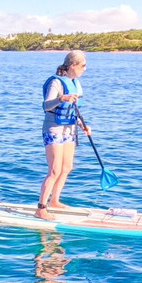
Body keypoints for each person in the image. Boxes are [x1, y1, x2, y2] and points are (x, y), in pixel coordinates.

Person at [37, 50, 91, 219]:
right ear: (73, 65)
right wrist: (62, 98)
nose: (85, 69)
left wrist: (82, 125)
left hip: (69, 129)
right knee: (54, 170)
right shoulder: (56, 82)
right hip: (53, 128)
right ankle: (41, 209)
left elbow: (74, 110)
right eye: (83, 65)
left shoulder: (75, 83)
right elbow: (46, 106)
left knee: (66, 167)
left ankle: (55, 200)